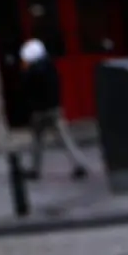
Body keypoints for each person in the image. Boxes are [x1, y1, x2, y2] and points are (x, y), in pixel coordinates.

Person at [20, 38, 89, 180]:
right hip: (54, 108)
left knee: (37, 141)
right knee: (65, 138)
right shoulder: (50, 67)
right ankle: (79, 164)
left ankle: (35, 169)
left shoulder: (32, 73)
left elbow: (27, 90)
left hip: (39, 111)